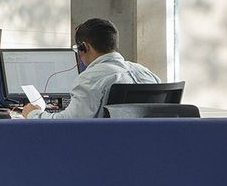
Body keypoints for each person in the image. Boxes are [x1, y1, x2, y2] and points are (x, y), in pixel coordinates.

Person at [19, 17, 162, 119]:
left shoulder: (91, 78)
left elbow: (68, 125)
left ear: (85, 47)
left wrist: (33, 114)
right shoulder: (147, 73)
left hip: (99, 153)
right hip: (145, 153)